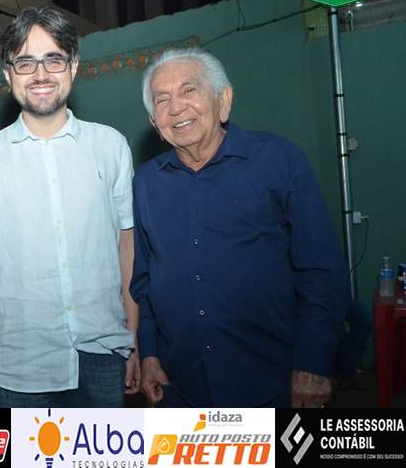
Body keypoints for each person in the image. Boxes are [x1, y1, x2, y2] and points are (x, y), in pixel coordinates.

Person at [131, 47, 350, 408]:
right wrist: (150, 354)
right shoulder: (145, 183)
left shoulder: (277, 159)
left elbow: (321, 270)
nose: (176, 107)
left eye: (189, 90)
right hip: (181, 388)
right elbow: (146, 281)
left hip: (271, 383)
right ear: (155, 122)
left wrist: (313, 360)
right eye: (162, 99)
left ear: (224, 100)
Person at [0, 6, 140, 408]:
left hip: (105, 355)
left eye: (53, 59)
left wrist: (133, 338)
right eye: (25, 62)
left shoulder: (111, 147)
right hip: (18, 367)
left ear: (73, 67)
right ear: (8, 74)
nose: (40, 74)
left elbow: (128, 246)